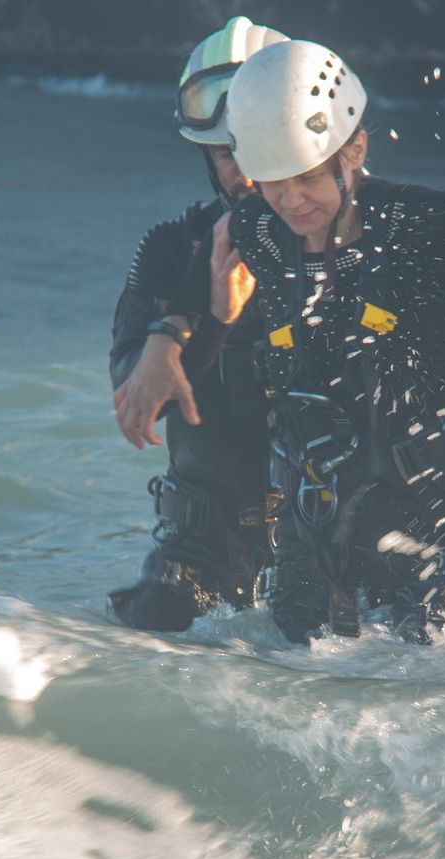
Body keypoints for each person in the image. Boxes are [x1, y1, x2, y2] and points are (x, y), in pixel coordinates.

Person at [132, 39, 445, 644]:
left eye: (308, 176)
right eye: (275, 181)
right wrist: (172, 332)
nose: (291, 201)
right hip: (308, 569)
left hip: (430, 550)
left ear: (356, 147)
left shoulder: (425, 223)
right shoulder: (259, 227)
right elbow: (219, 241)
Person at [105, 17, 287, 632]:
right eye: (227, 151)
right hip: (200, 552)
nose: (247, 171)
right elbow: (138, 413)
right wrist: (204, 321)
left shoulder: (355, 243)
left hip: (335, 542)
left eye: (261, 145)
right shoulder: (168, 248)